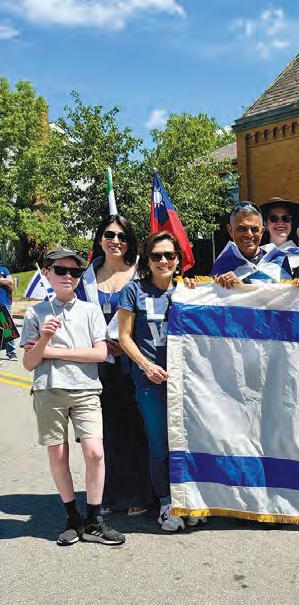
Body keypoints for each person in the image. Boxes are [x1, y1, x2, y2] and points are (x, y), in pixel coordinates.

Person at [21, 246, 126, 546]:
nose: (68, 276)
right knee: (58, 454)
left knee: (95, 452)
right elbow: (29, 363)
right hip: (48, 389)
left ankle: (95, 519)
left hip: (86, 389)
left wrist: (52, 351)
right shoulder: (36, 313)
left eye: (75, 271)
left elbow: (100, 354)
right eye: (60, 270)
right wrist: (44, 338)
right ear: (47, 274)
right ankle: (72, 517)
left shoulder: (90, 311)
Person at [119, 232, 198, 532]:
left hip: (187, 383)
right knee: (159, 445)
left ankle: (188, 499)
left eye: (169, 255)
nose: (163, 261)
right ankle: (166, 502)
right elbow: (124, 336)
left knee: (189, 443)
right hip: (151, 382)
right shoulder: (134, 290)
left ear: (178, 259)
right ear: (147, 260)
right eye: (156, 256)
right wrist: (146, 365)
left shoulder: (189, 290)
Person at [76, 215, 154, 516]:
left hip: (134, 362)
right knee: (103, 431)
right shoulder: (85, 279)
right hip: (96, 366)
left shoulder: (140, 273)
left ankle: (138, 493)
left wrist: (129, 344)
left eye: (122, 236)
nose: (115, 241)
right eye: (109, 235)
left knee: (135, 428)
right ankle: (106, 494)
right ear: (100, 239)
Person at [212, 201, 293, 288]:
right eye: (242, 229)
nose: (249, 234)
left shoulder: (279, 260)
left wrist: (241, 287)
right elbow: (212, 294)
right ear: (230, 230)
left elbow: (287, 295)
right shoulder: (222, 264)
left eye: (255, 229)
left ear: (262, 231)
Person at [259, 196, 299, 271]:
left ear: (291, 223)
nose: (280, 223)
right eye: (274, 218)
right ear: (265, 224)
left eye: (285, 218)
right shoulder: (256, 255)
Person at [0, 259, 17, 360]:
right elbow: (6, 281)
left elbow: (10, 281)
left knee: (8, 328)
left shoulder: (4, 269)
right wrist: (3, 281)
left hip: (4, 303)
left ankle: (11, 353)